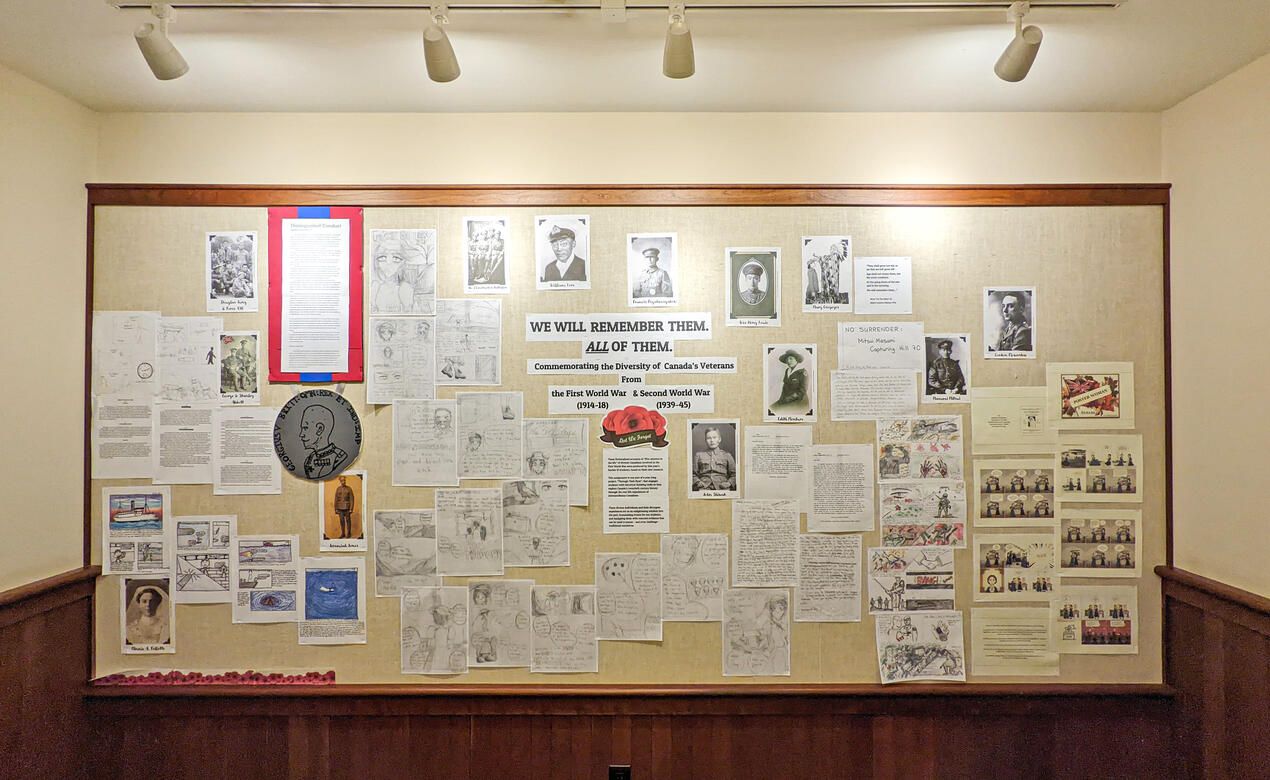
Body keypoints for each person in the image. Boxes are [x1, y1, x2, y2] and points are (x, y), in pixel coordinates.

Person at [299, 404, 348, 480]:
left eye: (305, 428)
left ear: (319, 429)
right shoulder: (309, 459)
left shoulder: (339, 457)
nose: (301, 434)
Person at [692, 426, 736, 491]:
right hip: (703, 487)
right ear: (705, 440)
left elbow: (735, 474)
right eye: (709, 438)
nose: (712, 440)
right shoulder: (699, 455)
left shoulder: (727, 455)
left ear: (719, 439)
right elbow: (692, 474)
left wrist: (729, 483)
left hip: (722, 487)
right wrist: (698, 483)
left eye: (714, 437)